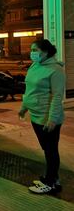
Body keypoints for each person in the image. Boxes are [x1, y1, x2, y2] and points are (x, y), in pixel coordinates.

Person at [19, 39, 65, 194]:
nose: (32, 53)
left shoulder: (56, 70)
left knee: (51, 150)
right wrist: (23, 108)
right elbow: (30, 90)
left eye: (36, 50)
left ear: (46, 52)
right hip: (36, 116)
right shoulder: (35, 65)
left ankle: (50, 182)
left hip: (48, 119)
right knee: (47, 149)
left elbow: (57, 97)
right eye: (32, 50)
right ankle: (54, 179)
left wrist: (52, 119)